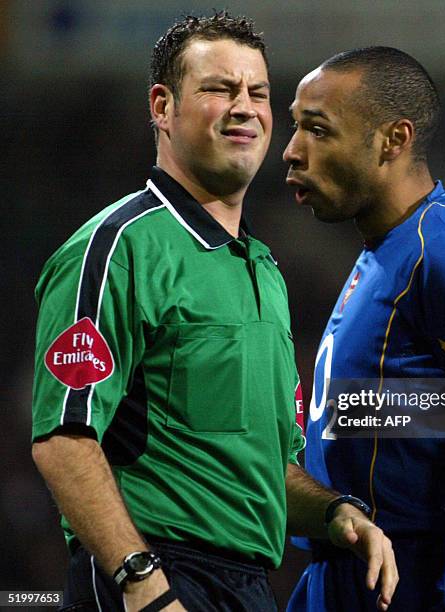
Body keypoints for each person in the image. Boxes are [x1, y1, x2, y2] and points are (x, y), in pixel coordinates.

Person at [31, 15, 397, 612]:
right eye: (218, 89)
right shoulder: (118, 248)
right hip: (154, 576)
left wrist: (337, 515)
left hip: (249, 587)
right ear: (162, 106)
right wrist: (141, 580)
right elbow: (64, 438)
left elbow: (264, 465)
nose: (244, 107)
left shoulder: (263, 270)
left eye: (257, 92)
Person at [283, 47, 445, 611]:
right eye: (295, 127)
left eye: (317, 130)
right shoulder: (388, 248)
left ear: (393, 139)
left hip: (410, 589)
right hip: (346, 580)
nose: (292, 150)